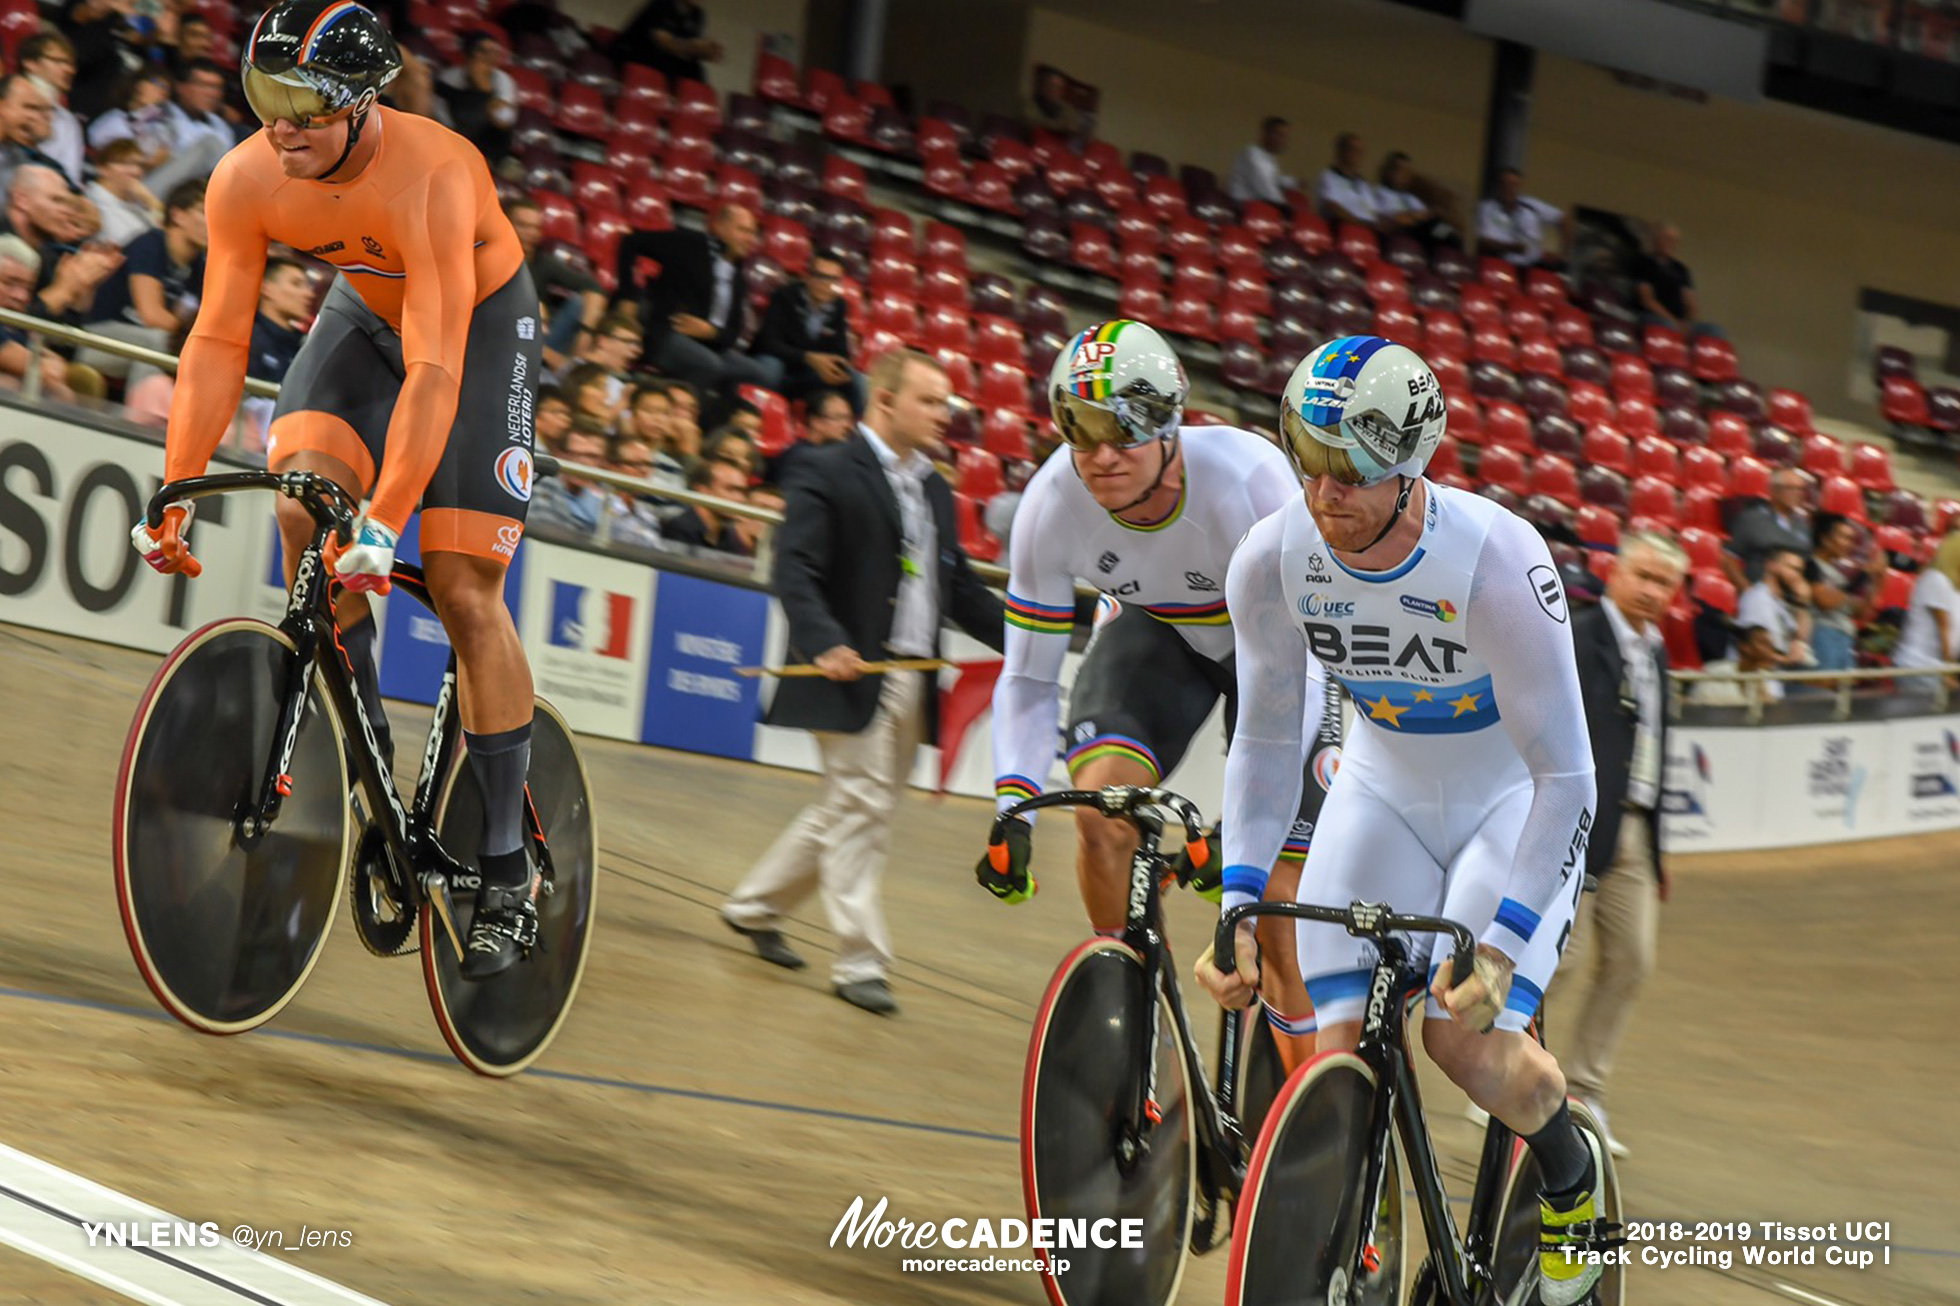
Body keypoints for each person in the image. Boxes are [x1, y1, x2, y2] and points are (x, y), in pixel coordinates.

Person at [131, 1, 546, 981]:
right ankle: (366, 762)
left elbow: (438, 369)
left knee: (459, 585)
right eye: (265, 98)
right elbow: (220, 338)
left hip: (475, 328)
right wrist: (176, 484)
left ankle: (504, 866)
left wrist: (389, 516)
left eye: (306, 108)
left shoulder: (436, 174)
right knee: (296, 504)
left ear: (364, 107)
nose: (281, 124)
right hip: (367, 308)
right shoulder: (246, 176)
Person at [1195, 336, 1611, 1306]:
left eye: (1351, 467)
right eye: (1307, 455)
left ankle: (1568, 1170)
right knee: (1328, 1058)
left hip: (1505, 800)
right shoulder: (1271, 556)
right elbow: (1259, 743)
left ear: (1410, 463)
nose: (1323, 487)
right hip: (1378, 787)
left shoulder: (1495, 558)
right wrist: (1238, 902)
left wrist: (1504, 943)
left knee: (1460, 1044)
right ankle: (1354, 1256)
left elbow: (1567, 774)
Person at [976, 319, 1342, 1069]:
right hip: (1160, 634)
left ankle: (1314, 1113)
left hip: (1280, 660)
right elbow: (1028, 676)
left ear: (1172, 423)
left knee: (1276, 890)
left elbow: (1291, 677)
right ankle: (1129, 1024)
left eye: (1125, 429)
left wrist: (1241, 834)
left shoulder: (1249, 483)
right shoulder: (1050, 503)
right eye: (1080, 428)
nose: (1102, 454)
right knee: (1098, 815)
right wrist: (1011, 802)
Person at [722, 350, 1005, 1016]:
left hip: (910, 676)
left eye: (946, 404)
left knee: (852, 807)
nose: (945, 415)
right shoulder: (824, 468)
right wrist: (825, 642)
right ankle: (859, 961)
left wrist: (1045, 630)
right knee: (863, 809)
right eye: (932, 402)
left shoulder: (935, 486)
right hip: (849, 671)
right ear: (886, 400)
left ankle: (754, 907)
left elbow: (957, 587)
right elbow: (794, 569)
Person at [1545, 531, 1686, 1161]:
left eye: (1665, 584)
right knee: (1561, 959)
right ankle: (1503, 1063)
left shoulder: (1656, 652)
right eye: (1645, 578)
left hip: (1634, 826)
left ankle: (1583, 1091)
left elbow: (1653, 742)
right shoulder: (1577, 636)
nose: (1654, 593)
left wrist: (1658, 848)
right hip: (1577, 820)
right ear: (1615, 573)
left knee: (1632, 960)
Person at [613, 203, 776, 397]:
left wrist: (712, 332)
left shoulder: (739, 276)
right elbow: (631, 241)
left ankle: (715, 415)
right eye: (743, 230)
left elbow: (733, 332)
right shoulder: (690, 244)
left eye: (753, 233)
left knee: (762, 376)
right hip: (665, 333)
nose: (750, 239)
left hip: (712, 346)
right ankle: (675, 412)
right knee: (708, 365)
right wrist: (628, 295)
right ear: (719, 227)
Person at [80, 177, 208, 387]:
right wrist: (195, 339)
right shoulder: (150, 244)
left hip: (137, 343)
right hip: (97, 337)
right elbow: (151, 315)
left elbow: (193, 317)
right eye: (204, 212)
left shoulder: (197, 265)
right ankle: (141, 416)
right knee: (159, 341)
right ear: (177, 215)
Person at [751, 247, 861, 410]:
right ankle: (763, 414)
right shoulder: (785, 297)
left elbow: (840, 350)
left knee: (856, 379)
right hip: (781, 363)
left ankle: (854, 430)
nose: (826, 285)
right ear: (807, 276)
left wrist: (838, 366)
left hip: (809, 373)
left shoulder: (839, 306)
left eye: (833, 280)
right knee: (771, 368)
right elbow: (769, 343)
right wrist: (808, 357)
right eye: (821, 277)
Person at [505, 195, 607, 363]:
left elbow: (594, 288)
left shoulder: (543, 262)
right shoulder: (488, 258)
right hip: (502, 337)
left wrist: (586, 332)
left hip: (540, 339)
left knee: (581, 302)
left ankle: (573, 367)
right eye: (523, 226)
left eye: (536, 228)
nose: (531, 233)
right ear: (505, 224)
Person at [1806, 513, 1882, 673]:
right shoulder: (1810, 565)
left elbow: (1860, 612)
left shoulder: (1838, 575)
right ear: (1825, 539)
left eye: (1851, 540)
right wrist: (1863, 575)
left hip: (1845, 636)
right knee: (1823, 690)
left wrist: (1877, 580)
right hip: (1823, 634)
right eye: (1844, 538)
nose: (1850, 545)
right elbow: (1825, 601)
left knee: (1843, 692)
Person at [1891, 531, 1960, 701]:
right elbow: (1945, 628)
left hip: (1936, 668)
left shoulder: (1955, 589)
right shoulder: (1936, 579)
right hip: (1918, 667)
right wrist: (1948, 673)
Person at [434, 31, 518, 163]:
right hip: (454, 140)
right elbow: (440, 117)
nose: (490, 58)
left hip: (490, 144)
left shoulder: (503, 79)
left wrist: (485, 89)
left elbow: (505, 120)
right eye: (483, 51)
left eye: (494, 52)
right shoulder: (449, 78)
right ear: (469, 53)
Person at [18, 33, 84, 190]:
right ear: (30, 63)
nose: (69, 70)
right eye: (59, 61)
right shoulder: (6, 99)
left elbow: (70, 177)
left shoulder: (69, 122)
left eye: (71, 64)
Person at [1724, 467, 1812, 585]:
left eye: (1800, 489)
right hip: (1760, 590)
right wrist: (1746, 590)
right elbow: (1728, 558)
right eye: (1791, 488)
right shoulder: (1752, 519)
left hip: (1792, 596)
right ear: (1774, 490)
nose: (1798, 494)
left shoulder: (1803, 525)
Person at [1633, 223, 1720, 337]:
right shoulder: (1642, 263)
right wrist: (1674, 322)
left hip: (1679, 321)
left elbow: (1691, 302)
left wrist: (1688, 324)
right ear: (1656, 240)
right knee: (1668, 326)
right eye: (1666, 238)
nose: (1669, 243)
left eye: (1673, 240)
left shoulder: (1681, 270)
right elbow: (1647, 299)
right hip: (1651, 316)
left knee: (1714, 330)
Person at [1477, 167, 1572, 269]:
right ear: (1498, 186)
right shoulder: (1486, 208)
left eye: (1514, 185)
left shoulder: (1530, 205)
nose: (1510, 189)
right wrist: (1512, 248)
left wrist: (1562, 254)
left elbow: (1565, 220)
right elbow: (1485, 242)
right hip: (1498, 263)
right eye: (1506, 185)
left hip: (1532, 266)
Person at [528, 418, 609, 537]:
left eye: (592, 456)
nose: (583, 463)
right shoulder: (540, 485)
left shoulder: (604, 500)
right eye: (575, 454)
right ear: (559, 454)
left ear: (603, 461)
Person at [1736, 547, 1813, 668]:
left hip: (1777, 677)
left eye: (1800, 571)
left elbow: (1801, 643)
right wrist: (1786, 660)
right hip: (1754, 676)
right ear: (1771, 565)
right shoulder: (1757, 598)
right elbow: (1753, 648)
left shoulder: (1782, 605)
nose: (1797, 577)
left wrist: (1803, 604)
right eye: (1793, 569)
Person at [618, 0, 722, 86]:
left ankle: (691, 107)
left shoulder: (697, 15)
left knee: (696, 70)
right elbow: (663, 42)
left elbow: (690, 48)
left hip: (667, 57)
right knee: (662, 60)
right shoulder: (661, 4)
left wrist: (705, 53)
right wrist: (693, 47)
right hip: (637, 50)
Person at [662, 455, 750, 553]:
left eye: (742, 492)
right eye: (730, 490)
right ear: (702, 490)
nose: (740, 499)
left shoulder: (728, 535)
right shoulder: (680, 529)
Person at [84, 138, 161, 246]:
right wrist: (152, 202)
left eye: (140, 165)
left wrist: (151, 201)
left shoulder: (137, 201)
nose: (135, 171)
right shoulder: (93, 203)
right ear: (103, 169)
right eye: (125, 163)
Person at [1688, 624, 1787, 707]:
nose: (1770, 652)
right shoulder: (1714, 675)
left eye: (1771, 646)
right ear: (1744, 647)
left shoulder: (1762, 679)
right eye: (1764, 644)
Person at [1225, 116, 1296, 206]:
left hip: (1257, 207)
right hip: (1243, 208)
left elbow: (1275, 179)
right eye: (1280, 135)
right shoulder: (1252, 154)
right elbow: (1266, 187)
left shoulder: (1269, 158)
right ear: (1266, 134)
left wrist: (1294, 182)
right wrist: (1286, 209)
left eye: (1286, 137)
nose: (1284, 141)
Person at [1314, 131, 1377, 229]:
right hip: (1342, 227)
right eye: (1353, 149)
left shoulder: (1362, 183)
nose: (1356, 155)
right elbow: (1332, 206)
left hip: (1367, 229)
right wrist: (1358, 223)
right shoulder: (1328, 176)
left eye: (1359, 151)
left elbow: (1372, 211)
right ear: (1341, 150)